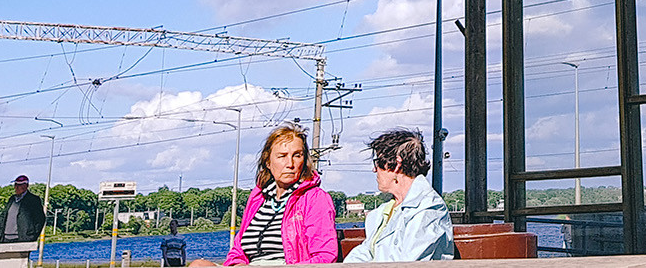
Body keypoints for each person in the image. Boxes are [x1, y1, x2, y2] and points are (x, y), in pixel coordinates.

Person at [191, 124, 337, 266]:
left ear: (304, 161)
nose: (290, 164)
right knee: (198, 265)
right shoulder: (259, 198)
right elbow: (238, 251)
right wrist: (237, 264)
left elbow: (325, 256)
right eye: (282, 156)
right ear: (268, 162)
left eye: (297, 155)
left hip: (286, 266)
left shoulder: (314, 198)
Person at [344, 130, 454, 261]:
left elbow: (410, 262)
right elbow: (364, 253)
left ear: (397, 164)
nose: (374, 170)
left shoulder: (428, 210)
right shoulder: (383, 212)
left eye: (378, 163)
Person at [0, 175, 45, 244]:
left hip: (23, 239)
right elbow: (2, 216)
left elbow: (40, 219)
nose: (16, 187)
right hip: (6, 238)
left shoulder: (33, 200)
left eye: (19, 185)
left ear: (25, 186)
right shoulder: (12, 199)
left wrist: (32, 236)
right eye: (15, 185)